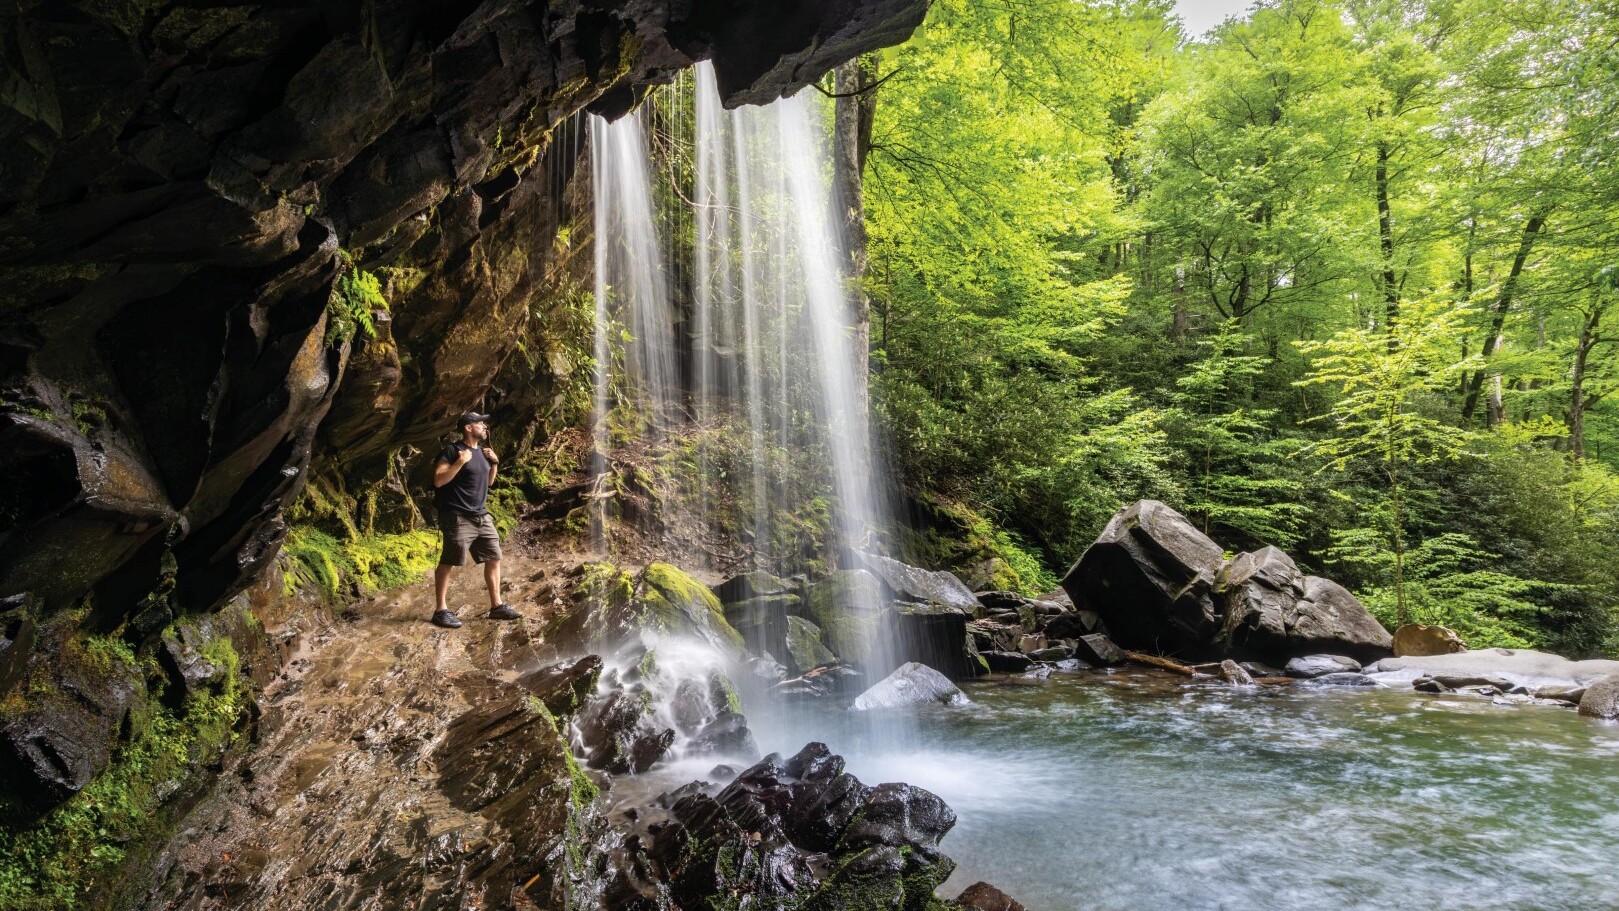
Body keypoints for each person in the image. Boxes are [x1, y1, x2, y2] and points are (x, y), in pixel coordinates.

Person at [430, 412, 521, 628]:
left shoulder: (482, 452)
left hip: (481, 515)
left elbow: (488, 483)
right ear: (468, 427)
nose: (484, 426)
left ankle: (496, 606)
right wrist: (460, 462)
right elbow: (439, 481)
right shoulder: (452, 451)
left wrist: (495, 464)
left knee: (494, 557)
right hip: (458, 515)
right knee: (449, 560)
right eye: (480, 423)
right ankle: (441, 610)